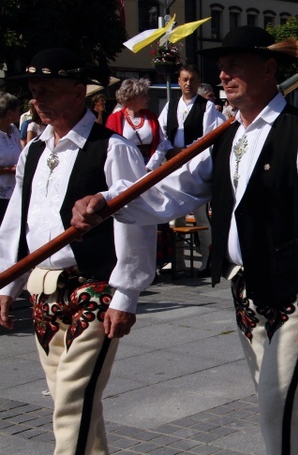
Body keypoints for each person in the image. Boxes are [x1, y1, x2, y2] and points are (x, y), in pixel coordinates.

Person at [71, 26, 298, 455]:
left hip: (294, 291)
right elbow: (174, 189)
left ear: (268, 69)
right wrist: (111, 201)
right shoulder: (227, 136)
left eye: (235, 66)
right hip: (245, 289)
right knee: (283, 407)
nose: (224, 76)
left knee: (276, 405)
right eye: (222, 68)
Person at [0, 47, 156, 454]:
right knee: (68, 398)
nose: (37, 100)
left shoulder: (112, 147)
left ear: (76, 91)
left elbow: (138, 221)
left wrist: (127, 295)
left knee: (72, 399)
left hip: (94, 288)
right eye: (33, 91)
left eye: (47, 89)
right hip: (43, 289)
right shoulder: (33, 150)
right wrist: (8, 285)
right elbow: (17, 221)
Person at [158, 64, 220, 276]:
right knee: (175, 217)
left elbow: (208, 136)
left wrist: (187, 151)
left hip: (195, 167)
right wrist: (170, 151)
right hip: (174, 165)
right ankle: (178, 262)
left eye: (192, 80)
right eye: (185, 79)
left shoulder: (207, 107)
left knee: (201, 216)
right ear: (179, 81)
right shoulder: (170, 106)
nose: (188, 84)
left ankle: (206, 260)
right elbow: (162, 133)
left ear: (198, 81)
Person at [106, 78, 171, 171]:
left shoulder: (151, 117)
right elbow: (109, 147)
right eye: (144, 96)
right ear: (133, 98)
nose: (148, 98)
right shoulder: (115, 119)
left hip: (150, 167)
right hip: (126, 168)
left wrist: (151, 166)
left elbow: (162, 143)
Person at [0, 92, 22, 222]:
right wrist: (9, 170)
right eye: (17, 110)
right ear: (9, 113)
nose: (20, 113)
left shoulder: (13, 129)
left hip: (14, 192)